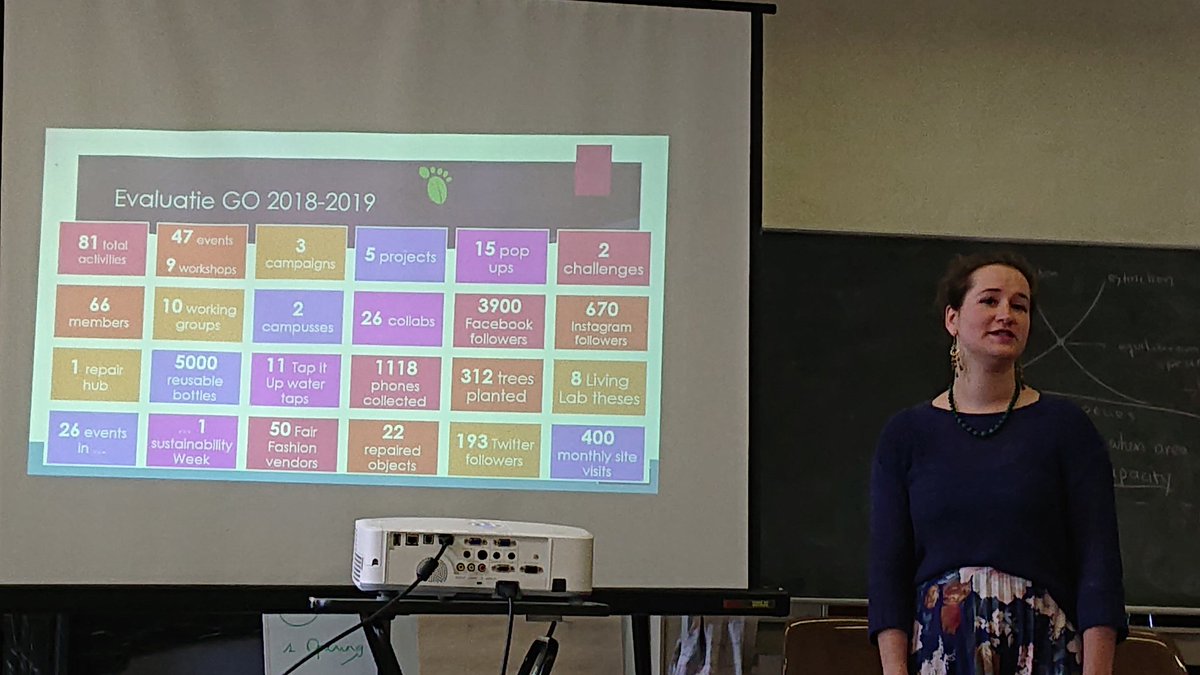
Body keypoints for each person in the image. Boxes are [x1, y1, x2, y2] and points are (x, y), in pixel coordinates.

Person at [868, 252, 1127, 675]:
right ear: (952, 318)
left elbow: (1099, 565)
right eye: (990, 301)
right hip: (940, 649)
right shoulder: (905, 436)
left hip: (1045, 648)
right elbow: (888, 574)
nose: (1006, 314)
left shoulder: (1067, 429)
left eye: (1019, 306)